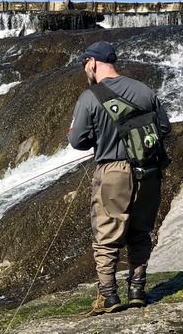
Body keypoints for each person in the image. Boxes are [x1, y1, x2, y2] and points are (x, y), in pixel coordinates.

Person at [68, 41, 171, 314]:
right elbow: (164, 127)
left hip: (112, 172)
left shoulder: (90, 97)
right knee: (140, 232)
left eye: (84, 65)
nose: (85, 70)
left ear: (91, 62)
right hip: (148, 171)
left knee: (106, 236)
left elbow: (78, 141)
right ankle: (137, 290)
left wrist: (102, 137)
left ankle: (109, 297)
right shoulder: (145, 90)